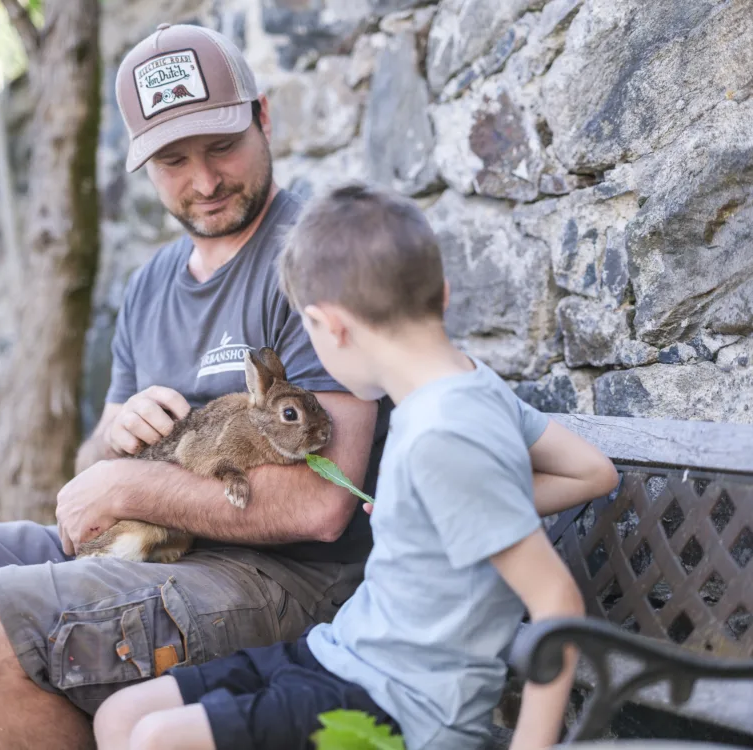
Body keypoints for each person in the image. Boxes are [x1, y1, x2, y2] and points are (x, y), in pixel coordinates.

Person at [0, 23, 387, 750]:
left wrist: (129, 488)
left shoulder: (316, 255)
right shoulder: (149, 287)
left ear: (263, 118)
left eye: (222, 147)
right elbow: (90, 477)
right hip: (141, 543)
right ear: (144, 166)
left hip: (276, 578)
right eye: (174, 160)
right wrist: (115, 443)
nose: (204, 181)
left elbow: (324, 506)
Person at [91, 183, 622, 750]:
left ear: (330, 326)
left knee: (158, 740)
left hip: (401, 704)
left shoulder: (445, 434)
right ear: (440, 295)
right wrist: (447, 512)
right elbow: (592, 472)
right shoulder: (473, 385)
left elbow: (557, 603)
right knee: (122, 717)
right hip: (342, 651)